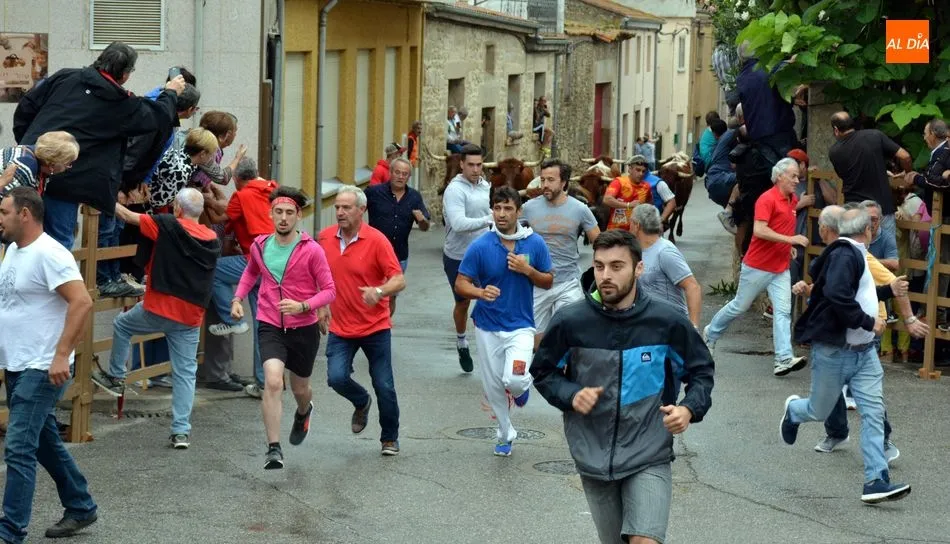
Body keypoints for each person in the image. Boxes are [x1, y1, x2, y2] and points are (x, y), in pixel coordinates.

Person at [531, 229, 714, 544]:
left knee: (645, 541)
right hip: (592, 454)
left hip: (648, 451)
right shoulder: (571, 321)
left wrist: (688, 408)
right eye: (600, 266)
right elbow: (544, 372)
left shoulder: (666, 322)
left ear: (638, 269)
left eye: (617, 266)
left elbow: (701, 370)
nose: (605, 275)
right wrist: (572, 394)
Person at [781, 206, 912, 504]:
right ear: (867, 231)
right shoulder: (845, 254)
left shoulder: (857, 254)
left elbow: (858, 294)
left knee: (873, 413)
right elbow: (838, 296)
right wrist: (870, 322)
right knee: (819, 410)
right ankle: (793, 412)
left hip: (864, 354)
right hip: (835, 353)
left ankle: (876, 480)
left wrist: (888, 291)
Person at [12, 41, 185, 250]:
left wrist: (29, 147)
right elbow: (157, 117)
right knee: (57, 245)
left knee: (17, 239)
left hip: (26, 166)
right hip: (65, 181)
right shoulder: (119, 103)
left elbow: (25, 108)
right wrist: (171, 92)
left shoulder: (66, 76)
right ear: (125, 74)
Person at [0, 188, 98, 542]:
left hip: (42, 367)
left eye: (3, 211)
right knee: (42, 443)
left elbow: (82, 302)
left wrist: (61, 355)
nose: (0, 218)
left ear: (24, 214)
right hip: (17, 363)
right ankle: (81, 505)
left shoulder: (50, 254)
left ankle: (10, 532)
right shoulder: (12, 250)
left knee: (18, 448)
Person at [91, 188, 221, 449]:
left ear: (177, 208)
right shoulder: (212, 238)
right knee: (185, 373)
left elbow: (128, 216)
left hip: (158, 308)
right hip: (190, 317)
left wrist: (101, 195)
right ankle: (181, 432)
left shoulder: (167, 227)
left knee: (121, 325)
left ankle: (116, 378)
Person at [230, 187, 336, 469]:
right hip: (270, 322)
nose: (284, 218)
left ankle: (304, 412)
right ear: (271, 213)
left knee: (301, 388)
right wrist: (238, 298)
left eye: (290, 213)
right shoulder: (260, 246)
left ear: (298, 215)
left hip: (303, 327)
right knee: (274, 381)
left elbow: (329, 290)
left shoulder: (311, 250)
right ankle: (273, 448)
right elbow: (251, 272)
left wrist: (303, 306)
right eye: (279, 212)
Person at [455, 187, 553, 456]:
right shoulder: (481, 246)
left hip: (521, 326)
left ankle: (520, 388)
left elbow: (548, 280)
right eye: (497, 208)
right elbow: (461, 283)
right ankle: (504, 433)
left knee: (515, 379)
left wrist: (528, 270)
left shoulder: (534, 243)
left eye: (508, 208)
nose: (501, 214)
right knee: (494, 386)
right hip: (487, 326)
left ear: (519, 212)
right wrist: (479, 292)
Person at [317, 186, 406, 456]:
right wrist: (320, 305)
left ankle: (389, 438)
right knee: (335, 377)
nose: (340, 212)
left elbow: (399, 279)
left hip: (374, 325)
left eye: (346, 208)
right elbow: (315, 275)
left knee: (384, 384)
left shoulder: (377, 241)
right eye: (337, 208)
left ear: (361, 210)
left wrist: (378, 291)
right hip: (341, 326)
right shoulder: (323, 239)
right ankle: (361, 400)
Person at [704, 158, 808, 376]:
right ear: (779, 176)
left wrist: (787, 245)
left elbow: (781, 227)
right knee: (739, 306)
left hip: (780, 268)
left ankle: (783, 359)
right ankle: (710, 334)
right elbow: (759, 230)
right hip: (758, 266)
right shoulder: (766, 199)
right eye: (794, 176)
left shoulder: (792, 199)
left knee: (782, 312)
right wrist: (790, 240)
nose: (797, 180)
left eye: (798, 176)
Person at [207, 159, 278, 397]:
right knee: (263, 325)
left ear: (237, 179)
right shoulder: (272, 189)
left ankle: (232, 320)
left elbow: (220, 218)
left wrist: (205, 199)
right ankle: (262, 383)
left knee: (214, 270)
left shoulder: (242, 195)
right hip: (277, 263)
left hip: (255, 260)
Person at [521, 159, 600, 349]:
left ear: (564, 182)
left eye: (551, 180)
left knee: (568, 332)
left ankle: (563, 372)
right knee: (534, 340)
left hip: (568, 282)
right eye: (542, 180)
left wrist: (599, 269)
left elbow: (600, 242)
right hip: (538, 282)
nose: (545, 185)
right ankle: (541, 374)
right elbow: (512, 236)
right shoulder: (529, 208)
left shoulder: (580, 209)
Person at [828, 111, 911, 267]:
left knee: (854, 257)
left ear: (836, 130)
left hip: (854, 210)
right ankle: (884, 289)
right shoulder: (874, 135)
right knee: (889, 258)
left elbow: (847, 174)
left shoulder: (834, 152)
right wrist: (907, 175)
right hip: (882, 209)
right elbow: (905, 156)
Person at [442, 143, 493, 372]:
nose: (475, 169)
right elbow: (459, 224)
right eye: (470, 165)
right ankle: (462, 341)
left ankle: (489, 345)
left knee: (491, 298)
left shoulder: (485, 186)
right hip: (457, 255)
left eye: (479, 165)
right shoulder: (454, 190)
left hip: (485, 253)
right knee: (463, 302)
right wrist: (488, 220)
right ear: (461, 164)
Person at [365, 158, 430, 316]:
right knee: (371, 293)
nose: (401, 177)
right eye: (397, 172)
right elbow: (356, 209)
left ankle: (383, 326)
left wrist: (422, 220)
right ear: (390, 173)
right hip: (372, 254)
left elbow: (425, 227)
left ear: (409, 177)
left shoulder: (414, 197)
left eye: (405, 174)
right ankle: (368, 326)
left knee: (390, 296)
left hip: (399, 256)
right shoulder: (373, 193)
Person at [631, 205, 702, 327]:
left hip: (671, 325)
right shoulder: (637, 250)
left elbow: (692, 287)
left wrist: (693, 328)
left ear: (637, 225)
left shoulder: (665, 252)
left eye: (630, 222)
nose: (629, 226)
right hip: (648, 324)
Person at [0, 131, 79, 198]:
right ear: (52, 164)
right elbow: (4, 204)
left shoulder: (30, 150)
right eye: (68, 163)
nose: (70, 167)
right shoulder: (25, 167)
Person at [603, 156, 653, 231]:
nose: (641, 174)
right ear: (630, 169)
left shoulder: (646, 186)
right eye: (638, 170)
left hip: (637, 232)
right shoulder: (618, 182)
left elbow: (650, 205)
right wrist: (628, 205)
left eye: (643, 171)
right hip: (616, 231)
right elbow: (607, 199)